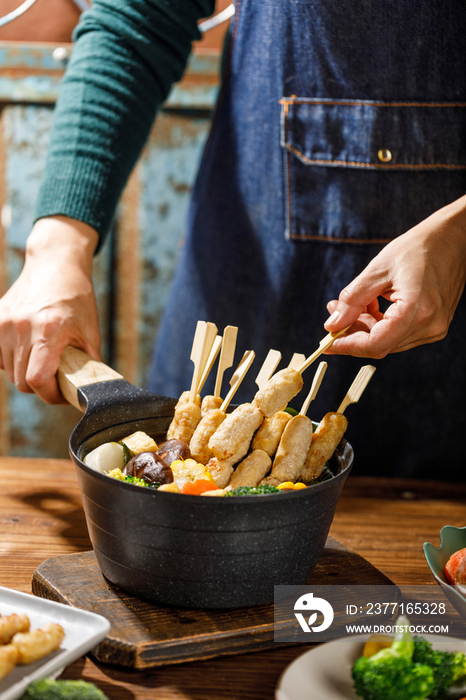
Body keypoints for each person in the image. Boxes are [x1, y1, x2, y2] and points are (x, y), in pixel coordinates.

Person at [0, 0, 465, 480]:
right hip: (244, 266)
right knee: (179, 469)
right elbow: (140, 15)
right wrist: (55, 246)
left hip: (452, 380)